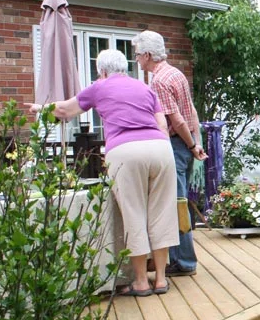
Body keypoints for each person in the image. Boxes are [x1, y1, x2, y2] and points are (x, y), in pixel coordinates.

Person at [31, 49, 178, 297]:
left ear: (102, 70)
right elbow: (162, 124)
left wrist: (40, 107)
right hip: (161, 149)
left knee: (134, 213)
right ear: (125, 67)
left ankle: (141, 282)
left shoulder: (99, 86)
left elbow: (65, 110)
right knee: (162, 213)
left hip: (125, 151)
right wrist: (158, 145)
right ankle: (161, 280)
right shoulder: (145, 87)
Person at [134, 30, 206, 277]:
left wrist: (191, 145)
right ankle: (179, 259)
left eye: (137, 54)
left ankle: (183, 262)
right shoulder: (176, 73)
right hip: (185, 145)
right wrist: (196, 142)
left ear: (147, 55)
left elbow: (176, 120)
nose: (136, 59)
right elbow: (191, 111)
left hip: (176, 146)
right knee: (179, 202)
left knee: (175, 204)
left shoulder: (159, 81)